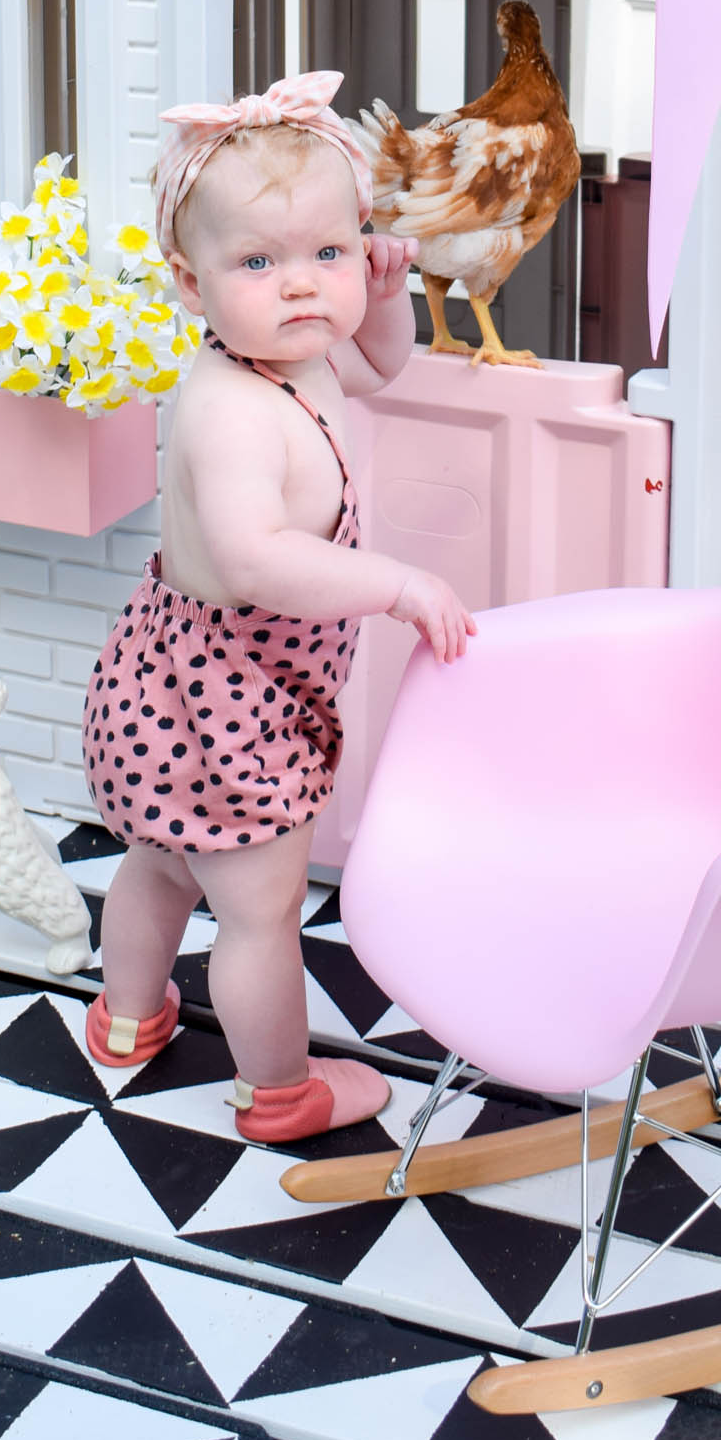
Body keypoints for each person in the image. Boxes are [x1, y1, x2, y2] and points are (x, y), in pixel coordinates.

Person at [80, 71, 476, 1142]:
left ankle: (125, 1020)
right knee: (256, 913)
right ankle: (280, 1091)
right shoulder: (228, 409)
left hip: (176, 686)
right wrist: (398, 584)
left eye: (328, 255)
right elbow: (256, 559)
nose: (302, 288)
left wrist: (384, 293)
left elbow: (384, 367)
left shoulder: (294, 353)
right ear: (187, 279)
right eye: (258, 262)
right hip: (224, 702)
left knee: (161, 862)